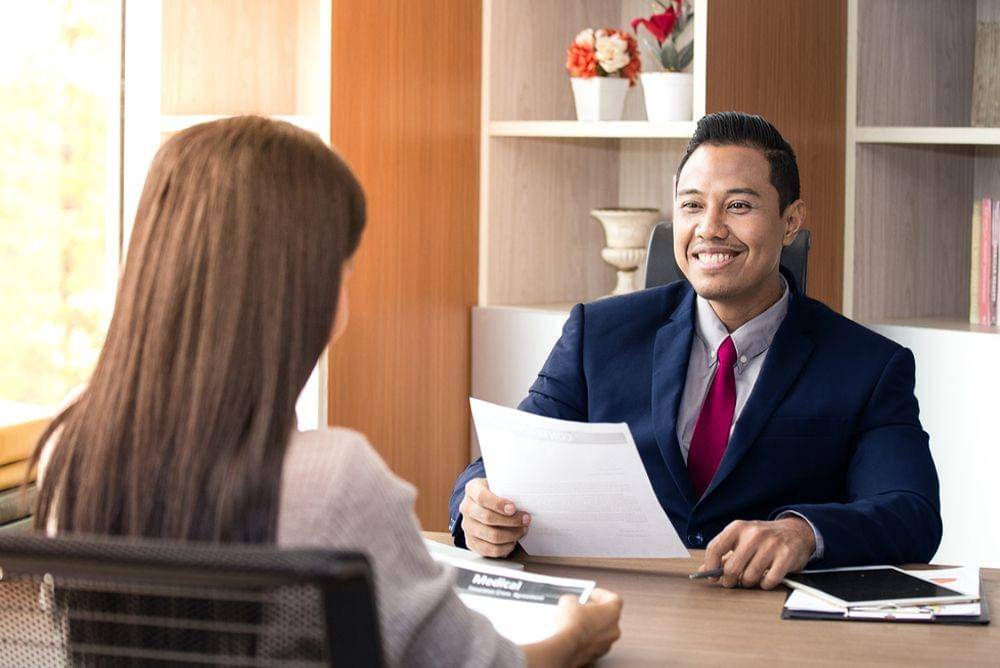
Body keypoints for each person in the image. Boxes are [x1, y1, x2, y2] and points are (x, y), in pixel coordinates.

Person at [30, 116, 621, 667]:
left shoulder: (73, 449)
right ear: (305, 290)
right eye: (344, 267)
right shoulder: (332, 479)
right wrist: (576, 636)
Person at [450, 111, 942, 590]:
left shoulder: (868, 366)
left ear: (791, 221)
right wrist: (476, 505)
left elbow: (911, 511)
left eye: (739, 206)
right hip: (621, 605)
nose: (710, 228)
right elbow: (509, 460)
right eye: (691, 205)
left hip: (768, 623)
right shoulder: (598, 334)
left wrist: (803, 532)